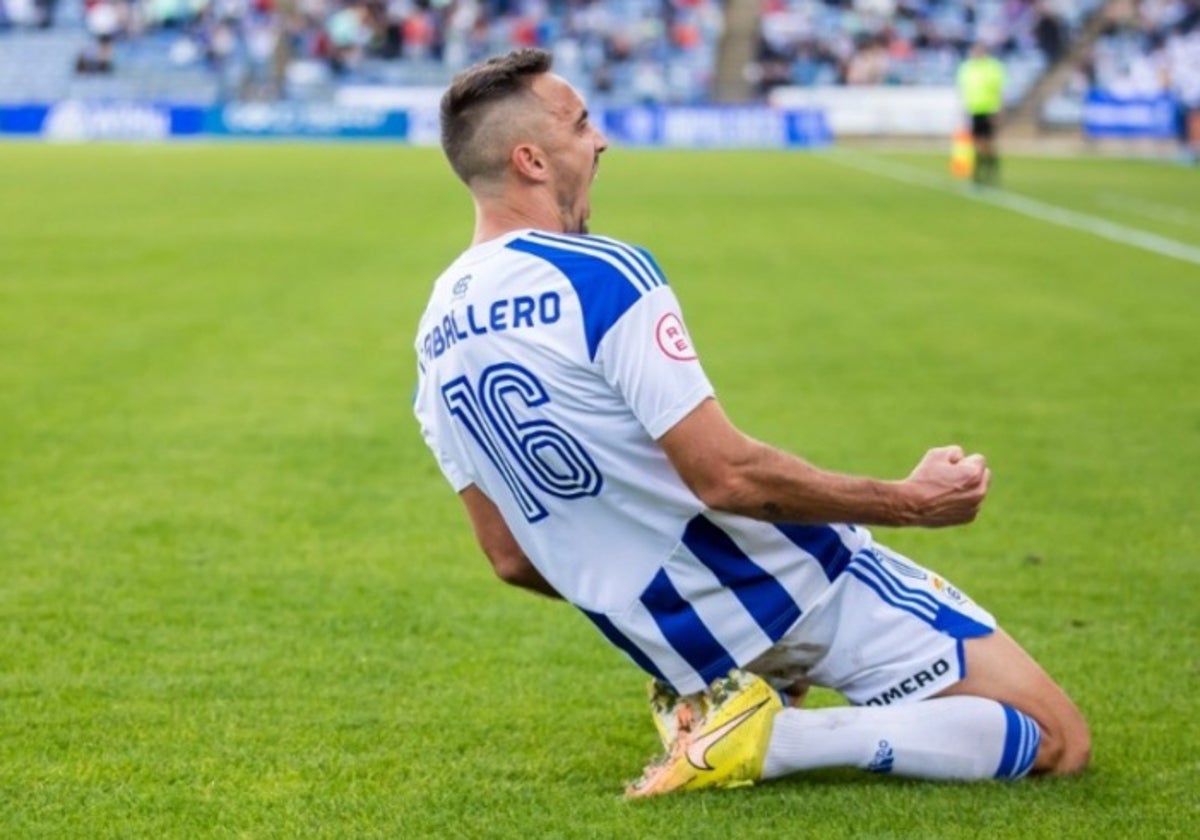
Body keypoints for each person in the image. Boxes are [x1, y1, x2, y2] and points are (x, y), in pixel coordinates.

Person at [413, 48, 1090, 797]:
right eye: (581, 125)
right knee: (1055, 738)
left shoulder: (433, 334)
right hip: (802, 582)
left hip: (681, 635)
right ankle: (777, 737)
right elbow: (726, 476)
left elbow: (508, 556)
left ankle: (721, 697)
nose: (600, 141)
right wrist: (909, 501)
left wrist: (682, 626)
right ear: (532, 160)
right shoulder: (599, 275)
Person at [956, 42, 1007, 186]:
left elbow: (999, 90)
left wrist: (998, 110)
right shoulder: (966, 68)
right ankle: (978, 173)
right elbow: (964, 92)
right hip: (973, 110)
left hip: (989, 110)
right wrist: (963, 111)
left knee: (988, 143)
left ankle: (991, 171)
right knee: (976, 143)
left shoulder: (993, 68)